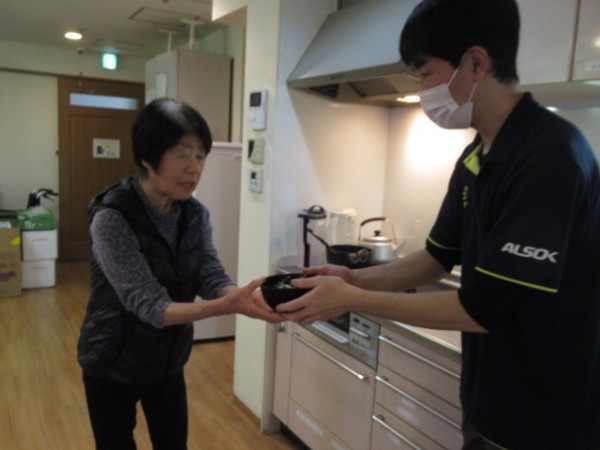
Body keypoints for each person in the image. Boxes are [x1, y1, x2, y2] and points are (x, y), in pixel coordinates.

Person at [261, 0, 600, 448]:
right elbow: (438, 256)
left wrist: (353, 298)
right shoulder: (478, 155)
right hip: (490, 402)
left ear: (475, 63)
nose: (421, 90)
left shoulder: (550, 156)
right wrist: (352, 278)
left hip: (546, 415)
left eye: (424, 74)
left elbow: (482, 309)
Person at [77, 98, 282, 450]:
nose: (194, 168)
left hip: (167, 360)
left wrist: (242, 296)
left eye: (200, 156)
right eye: (182, 155)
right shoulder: (112, 217)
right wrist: (225, 307)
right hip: (113, 361)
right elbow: (149, 305)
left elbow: (209, 273)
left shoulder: (194, 214)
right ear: (148, 157)